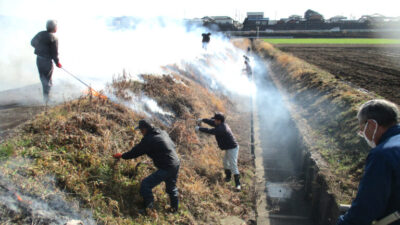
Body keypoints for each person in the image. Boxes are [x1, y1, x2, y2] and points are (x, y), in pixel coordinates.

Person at [337, 99, 400, 225]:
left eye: (362, 129)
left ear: (371, 125)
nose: (363, 134)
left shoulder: (382, 155)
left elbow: (366, 208)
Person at [113, 120, 180, 212]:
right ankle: (175, 209)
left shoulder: (149, 140)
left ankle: (148, 209)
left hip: (167, 166)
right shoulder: (162, 132)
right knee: (171, 187)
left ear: (144, 129)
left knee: (145, 184)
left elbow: (135, 152)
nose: (141, 133)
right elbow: (172, 145)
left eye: (141, 130)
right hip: (176, 162)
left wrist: (122, 156)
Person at [195, 112, 241, 191]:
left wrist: (199, 128)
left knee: (233, 165)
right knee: (225, 163)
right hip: (228, 147)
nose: (214, 121)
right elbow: (210, 122)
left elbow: (210, 131)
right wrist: (202, 120)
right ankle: (228, 177)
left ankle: (238, 185)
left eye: (215, 119)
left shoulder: (222, 128)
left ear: (219, 121)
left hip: (233, 148)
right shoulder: (220, 124)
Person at [31, 20, 62, 103]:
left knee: (43, 78)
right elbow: (54, 53)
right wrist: (57, 63)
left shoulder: (40, 34)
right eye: (56, 26)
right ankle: (47, 99)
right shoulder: (54, 38)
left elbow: (32, 43)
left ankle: (46, 97)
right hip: (47, 61)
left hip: (39, 59)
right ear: (54, 27)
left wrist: (39, 49)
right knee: (47, 80)